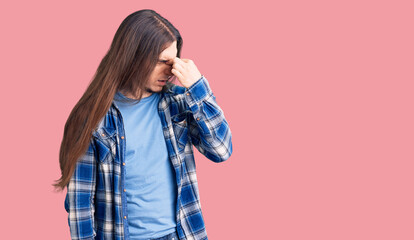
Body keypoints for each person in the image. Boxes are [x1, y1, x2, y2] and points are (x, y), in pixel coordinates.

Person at [52, 9, 233, 240]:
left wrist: (198, 86)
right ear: (133, 57)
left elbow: (222, 150)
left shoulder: (179, 104)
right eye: (162, 62)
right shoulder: (92, 118)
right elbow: (80, 206)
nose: (170, 71)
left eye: (174, 62)